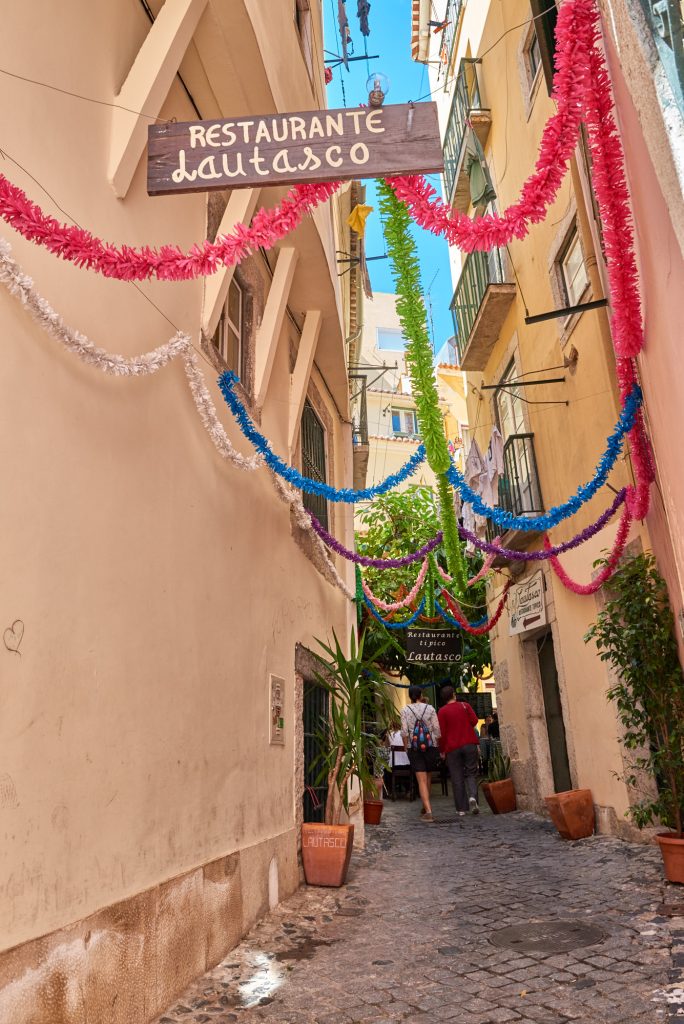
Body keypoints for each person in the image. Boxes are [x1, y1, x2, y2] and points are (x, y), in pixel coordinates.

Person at [438, 685, 481, 816]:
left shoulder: (442, 712)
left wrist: (442, 750)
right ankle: (473, 797)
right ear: (454, 695)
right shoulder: (465, 706)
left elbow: (442, 733)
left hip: (452, 747)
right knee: (471, 773)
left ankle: (461, 809)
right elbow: (474, 720)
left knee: (456, 777)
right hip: (469, 743)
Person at [400, 686, 441, 823]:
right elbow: (437, 730)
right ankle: (426, 806)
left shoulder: (405, 710)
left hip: (415, 747)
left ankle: (428, 810)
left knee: (421, 779)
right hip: (431, 746)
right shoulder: (430, 709)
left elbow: (404, 732)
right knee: (427, 776)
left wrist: (407, 747)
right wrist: (437, 744)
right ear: (421, 694)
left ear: (410, 696)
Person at [386, 721, 411, 798]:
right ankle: (409, 790)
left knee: (386, 772)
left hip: (393, 765)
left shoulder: (389, 734)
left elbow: (386, 746)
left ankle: (391, 791)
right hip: (406, 764)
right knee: (411, 770)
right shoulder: (405, 734)